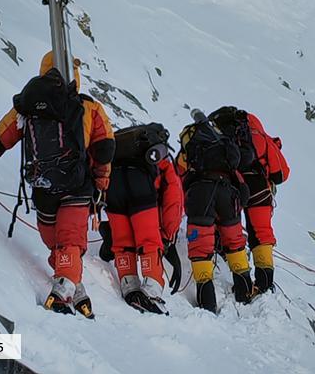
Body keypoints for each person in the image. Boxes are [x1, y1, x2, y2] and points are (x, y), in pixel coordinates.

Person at [0, 53, 115, 317]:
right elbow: (105, 149)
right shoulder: (90, 108)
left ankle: (70, 281)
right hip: (77, 187)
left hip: (43, 187)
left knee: (56, 241)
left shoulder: (29, 105)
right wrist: (101, 183)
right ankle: (66, 287)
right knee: (69, 240)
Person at [98, 123, 183, 313]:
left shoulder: (122, 152)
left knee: (123, 243)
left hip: (113, 185)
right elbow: (173, 197)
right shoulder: (159, 157)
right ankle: (152, 292)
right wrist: (168, 235)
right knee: (149, 240)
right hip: (141, 186)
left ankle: (129, 286)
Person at [208, 107, 290, 293]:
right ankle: (264, 283)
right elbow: (281, 173)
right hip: (258, 185)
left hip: (231, 185)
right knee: (261, 232)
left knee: (231, 230)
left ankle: (241, 282)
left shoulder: (219, 135)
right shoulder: (257, 133)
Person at [177, 112, 252, 312]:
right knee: (234, 242)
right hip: (228, 192)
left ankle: (207, 303)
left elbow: (180, 170)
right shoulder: (223, 142)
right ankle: (245, 292)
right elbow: (239, 177)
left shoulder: (192, 142)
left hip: (200, 192)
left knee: (200, 248)